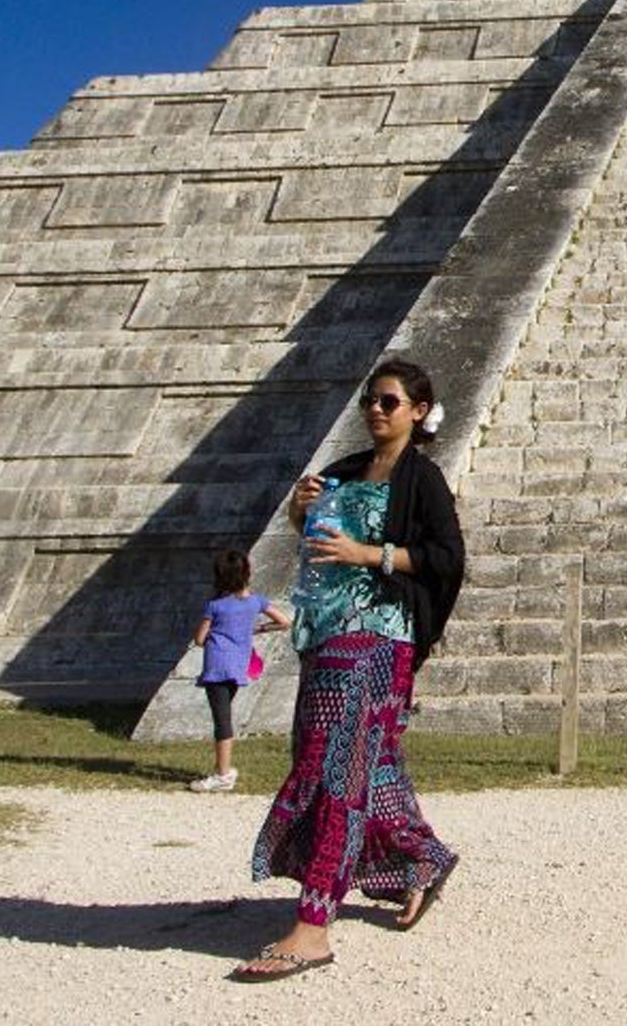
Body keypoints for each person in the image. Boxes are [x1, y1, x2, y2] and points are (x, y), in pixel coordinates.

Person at [238, 358, 467, 982]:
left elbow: (447, 557)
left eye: (389, 402)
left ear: (418, 411)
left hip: (381, 638)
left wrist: (369, 554)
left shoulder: (423, 480)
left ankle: (313, 923)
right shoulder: (341, 472)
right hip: (328, 635)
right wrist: (298, 510)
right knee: (368, 761)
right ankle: (423, 860)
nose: (375, 410)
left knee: (335, 763)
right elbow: (314, 543)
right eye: (371, 400)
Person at [189, 548, 290, 792]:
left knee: (222, 722)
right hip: (237, 668)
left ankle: (223, 774)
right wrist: (258, 629)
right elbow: (284, 621)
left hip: (216, 667)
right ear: (246, 573)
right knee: (224, 715)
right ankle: (223, 769)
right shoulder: (256, 601)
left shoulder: (215, 606)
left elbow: (200, 639)